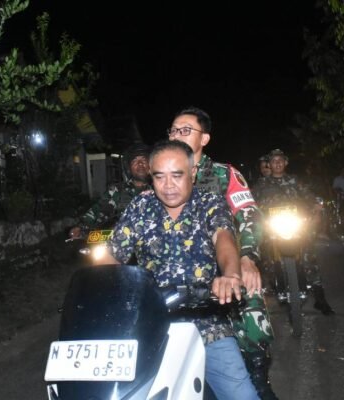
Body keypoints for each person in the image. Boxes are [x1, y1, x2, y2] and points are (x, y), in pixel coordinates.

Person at [99, 140, 260, 399]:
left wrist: (230, 275)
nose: (168, 185)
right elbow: (111, 255)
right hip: (150, 326)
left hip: (207, 326)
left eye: (177, 175)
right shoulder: (140, 207)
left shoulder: (210, 202)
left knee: (242, 395)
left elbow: (224, 238)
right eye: (159, 177)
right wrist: (99, 289)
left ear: (192, 173)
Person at [168, 106, 275, 398]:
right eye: (173, 130)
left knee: (252, 314)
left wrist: (247, 257)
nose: (177, 135)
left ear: (204, 139)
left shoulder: (224, 174)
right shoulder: (165, 176)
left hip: (227, 267)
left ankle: (258, 379)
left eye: (185, 130)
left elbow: (249, 215)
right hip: (180, 273)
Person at [252, 149, 335, 315]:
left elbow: (309, 196)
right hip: (271, 226)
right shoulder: (262, 184)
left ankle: (320, 298)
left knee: (308, 256)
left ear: (285, 162)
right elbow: (250, 201)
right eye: (273, 161)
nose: (277, 163)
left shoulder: (295, 181)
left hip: (295, 224)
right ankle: (272, 287)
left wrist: (316, 206)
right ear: (269, 164)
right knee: (264, 256)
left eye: (280, 160)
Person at [69, 142, 151, 239]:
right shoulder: (118, 190)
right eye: (135, 161)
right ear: (129, 168)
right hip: (124, 241)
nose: (140, 164)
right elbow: (99, 209)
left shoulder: (160, 188)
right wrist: (81, 226)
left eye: (144, 160)